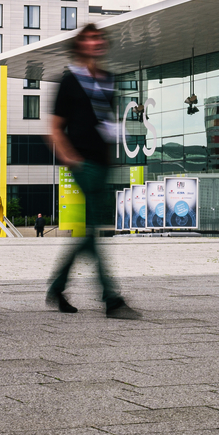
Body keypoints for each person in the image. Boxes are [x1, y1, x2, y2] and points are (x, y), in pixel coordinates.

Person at [45, 25, 141, 319]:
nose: (95, 42)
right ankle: (111, 299)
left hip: (102, 163)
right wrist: (70, 158)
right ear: (79, 45)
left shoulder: (109, 80)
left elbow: (107, 123)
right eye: (88, 38)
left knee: (90, 232)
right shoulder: (70, 81)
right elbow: (54, 128)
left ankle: (57, 286)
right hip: (81, 162)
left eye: (98, 37)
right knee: (94, 232)